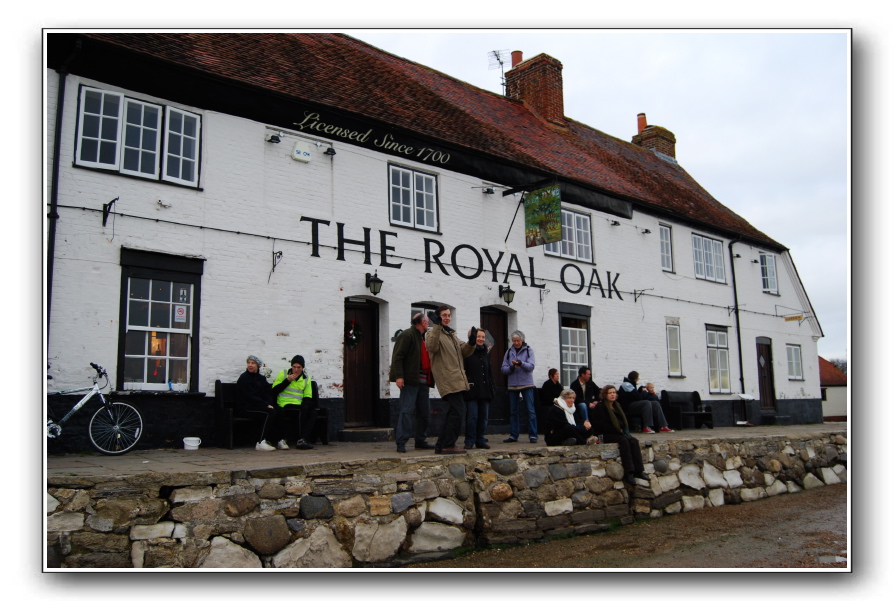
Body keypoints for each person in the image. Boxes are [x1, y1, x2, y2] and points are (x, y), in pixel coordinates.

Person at [426, 306, 476, 455]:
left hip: (457, 379)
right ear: (438, 317)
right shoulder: (432, 333)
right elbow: (431, 347)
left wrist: (471, 342)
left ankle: (441, 445)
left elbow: (464, 351)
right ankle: (448, 445)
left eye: (449, 315)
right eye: (444, 315)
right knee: (458, 412)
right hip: (447, 379)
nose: (447, 318)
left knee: (453, 412)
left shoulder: (452, 335)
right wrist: (436, 326)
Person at [389, 313, 435, 453]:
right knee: (407, 412)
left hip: (423, 382)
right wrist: (399, 376)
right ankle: (401, 442)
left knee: (424, 413)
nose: (429, 323)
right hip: (410, 381)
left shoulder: (423, 337)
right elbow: (398, 357)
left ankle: (420, 440)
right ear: (422, 322)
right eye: (427, 321)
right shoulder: (407, 335)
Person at [590, 385, 648, 485]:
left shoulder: (617, 406)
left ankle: (639, 471)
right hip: (605, 434)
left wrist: (623, 430)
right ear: (605, 395)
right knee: (624, 441)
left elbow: (622, 421)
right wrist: (618, 431)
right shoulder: (601, 407)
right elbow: (600, 424)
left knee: (633, 441)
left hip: (618, 433)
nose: (612, 395)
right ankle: (629, 472)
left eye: (614, 392)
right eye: (610, 393)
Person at [235, 355, 286, 451]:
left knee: (279, 410)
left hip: (258, 406)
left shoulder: (261, 379)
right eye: (248, 363)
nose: (250, 365)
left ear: (258, 365)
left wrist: (269, 403)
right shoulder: (244, 378)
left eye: (253, 363)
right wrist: (266, 405)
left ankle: (280, 440)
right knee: (269, 412)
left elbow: (268, 393)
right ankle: (260, 441)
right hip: (246, 407)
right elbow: (250, 396)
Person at [271, 355, 317, 450]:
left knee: (313, 413)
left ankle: (303, 439)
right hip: (284, 404)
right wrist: (287, 381)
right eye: (294, 367)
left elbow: (308, 396)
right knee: (301, 411)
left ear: (302, 368)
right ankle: (300, 439)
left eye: (299, 367)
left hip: (298, 404)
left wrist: (306, 406)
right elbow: (274, 390)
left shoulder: (306, 378)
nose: (296, 370)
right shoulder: (283, 374)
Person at [501, 330, 538, 443]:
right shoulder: (508, 352)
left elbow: (531, 366)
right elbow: (503, 369)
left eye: (518, 341)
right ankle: (513, 435)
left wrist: (521, 363)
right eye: (514, 341)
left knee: (530, 410)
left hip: (527, 384)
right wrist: (512, 367)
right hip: (512, 385)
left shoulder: (528, 350)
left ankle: (533, 435)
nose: (516, 343)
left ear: (522, 340)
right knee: (513, 412)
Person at [462, 327, 495, 450]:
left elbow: (489, 372)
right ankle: (469, 440)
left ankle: (480, 440)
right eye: (478, 336)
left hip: (485, 391)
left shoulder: (485, 353)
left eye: (483, 337)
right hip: (472, 391)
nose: (481, 339)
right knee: (472, 417)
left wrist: (492, 388)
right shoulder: (468, 353)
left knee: (483, 418)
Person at [538, 368, 564, 434]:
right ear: (551, 376)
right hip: (549, 404)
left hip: (558, 403)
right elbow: (547, 397)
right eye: (556, 374)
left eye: (558, 374)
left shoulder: (558, 385)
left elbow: (562, 393)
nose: (558, 376)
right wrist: (556, 401)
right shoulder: (547, 384)